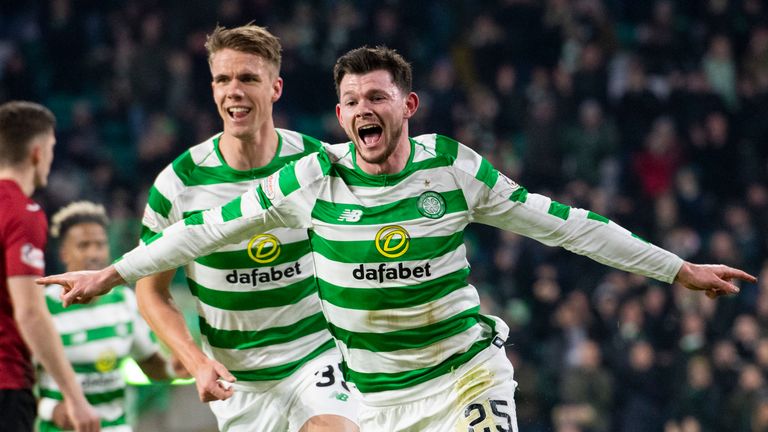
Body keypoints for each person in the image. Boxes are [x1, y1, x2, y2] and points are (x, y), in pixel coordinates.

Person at [41, 47, 757, 432]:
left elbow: (566, 224)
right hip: (378, 402)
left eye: (376, 96)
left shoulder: (451, 168)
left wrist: (675, 269)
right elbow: (203, 228)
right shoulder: (311, 180)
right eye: (350, 101)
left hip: (464, 379)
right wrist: (110, 274)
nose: (362, 110)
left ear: (406, 105)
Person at [134, 24, 358, 432]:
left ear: (275, 88)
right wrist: (196, 362)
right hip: (239, 381)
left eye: (248, 78)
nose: (233, 90)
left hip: (317, 356)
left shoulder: (315, 162)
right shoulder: (179, 184)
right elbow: (151, 290)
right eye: (222, 79)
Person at [39, 201, 185, 431]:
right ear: (64, 254)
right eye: (84, 245)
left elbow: (148, 362)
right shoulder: (42, 307)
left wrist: (172, 369)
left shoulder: (123, 301)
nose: (94, 253)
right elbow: (17, 378)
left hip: (115, 426)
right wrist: (51, 408)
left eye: (100, 244)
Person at [0, 101, 101, 432]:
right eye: (52, 148)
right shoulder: (21, 212)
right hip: (6, 382)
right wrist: (75, 398)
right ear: (37, 152)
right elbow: (29, 313)